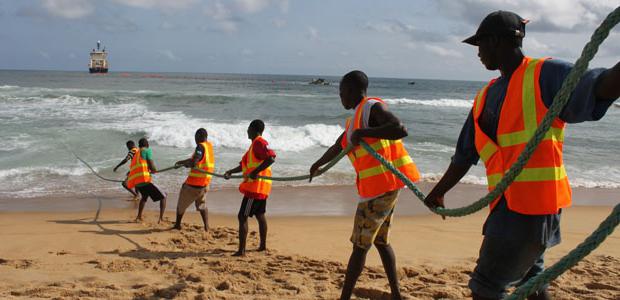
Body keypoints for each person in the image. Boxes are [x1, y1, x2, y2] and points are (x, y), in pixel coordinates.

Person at [423, 11, 620, 300]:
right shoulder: (485, 96)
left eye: (480, 44)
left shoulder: (545, 74)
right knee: (533, 281)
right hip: (505, 208)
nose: (477, 53)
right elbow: (464, 154)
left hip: (533, 210)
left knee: (486, 287)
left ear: (495, 41)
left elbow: (600, 86)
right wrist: (439, 192)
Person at [309, 70, 422, 300]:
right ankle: (397, 295)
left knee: (359, 246)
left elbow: (400, 129)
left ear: (351, 91)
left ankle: (345, 297)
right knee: (381, 242)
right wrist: (318, 164)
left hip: (379, 189)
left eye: (342, 93)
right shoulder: (356, 120)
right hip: (385, 186)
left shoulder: (371, 107)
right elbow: (339, 145)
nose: (340, 98)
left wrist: (365, 132)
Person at [224, 120, 276, 257]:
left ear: (254, 129)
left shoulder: (259, 143)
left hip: (255, 188)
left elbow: (271, 158)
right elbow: (243, 165)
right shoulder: (253, 146)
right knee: (260, 215)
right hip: (261, 188)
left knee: (242, 216)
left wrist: (256, 172)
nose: (247, 131)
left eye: (248, 128)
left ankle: (241, 251)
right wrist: (230, 171)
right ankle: (263, 246)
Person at [173, 128, 214, 232]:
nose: (195, 140)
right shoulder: (209, 147)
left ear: (198, 137)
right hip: (204, 184)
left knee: (181, 205)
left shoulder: (200, 146)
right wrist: (182, 162)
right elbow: (197, 160)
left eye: (195, 138)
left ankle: (177, 225)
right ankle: (207, 226)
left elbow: (194, 161)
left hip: (193, 185)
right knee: (202, 205)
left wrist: (183, 163)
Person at [126, 138, 167, 223]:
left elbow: (141, 166)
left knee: (144, 197)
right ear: (147, 145)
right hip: (144, 180)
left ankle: (139, 217)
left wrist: (149, 170)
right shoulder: (146, 150)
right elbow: (151, 164)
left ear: (139, 145)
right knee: (164, 196)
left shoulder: (136, 154)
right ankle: (161, 219)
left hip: (137, 183)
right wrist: (154, 170)